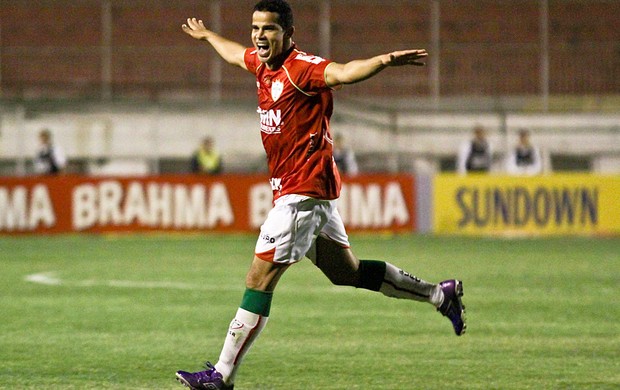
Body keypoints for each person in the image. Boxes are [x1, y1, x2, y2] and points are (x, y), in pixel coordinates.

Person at [176, 1, 466, 389]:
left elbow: (344, 72)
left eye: (269, 29)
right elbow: (234, 54)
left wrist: (384, 60)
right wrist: (209, 36)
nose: (260, 36)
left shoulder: (303, 69)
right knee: (348, 272)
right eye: (255, 28)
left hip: (302, 193)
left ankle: (221, 376)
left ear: (288, 33)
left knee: (258, 280)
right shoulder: (263, 65)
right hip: (307, 195)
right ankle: (438, 294)